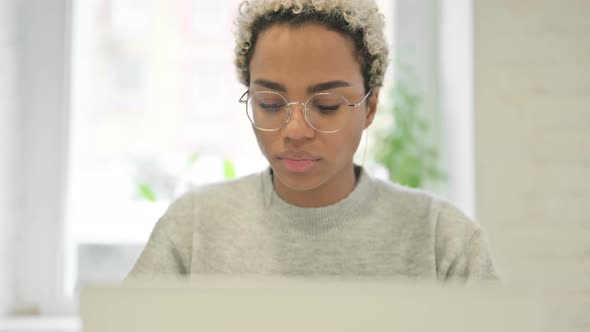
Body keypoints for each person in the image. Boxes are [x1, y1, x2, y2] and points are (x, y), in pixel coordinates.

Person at [127, 0, 500, 281]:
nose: (295, 130)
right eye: (270, 104)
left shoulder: (443, 241)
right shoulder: (193, 229)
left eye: (326, 105)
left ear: (370, 107)